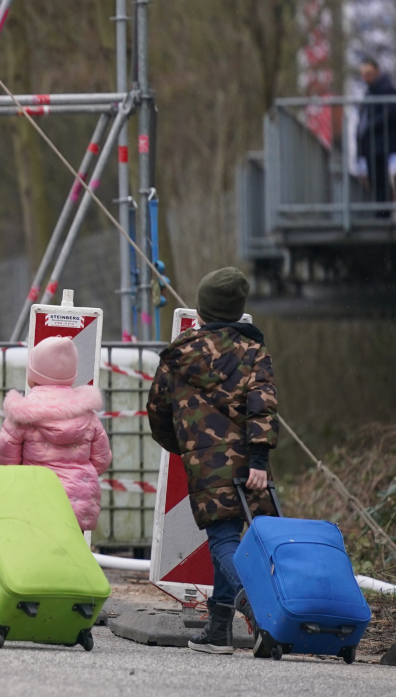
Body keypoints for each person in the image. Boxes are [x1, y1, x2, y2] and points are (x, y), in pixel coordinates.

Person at [147, 267, 278, 655]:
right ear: (238, 311)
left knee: (223, 540)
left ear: (201, 310)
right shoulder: (254, 352)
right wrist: (259, 458)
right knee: (233, 538)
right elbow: (264, 407)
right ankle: (219, 630)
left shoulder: (177, 355)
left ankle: (256, 607)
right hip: (251, 463)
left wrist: (185, 448)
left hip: (205, 462)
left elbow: (158, 412)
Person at [0, 336, 111, 533]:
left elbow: (4, 460)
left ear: (33, 374)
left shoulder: (22, 415)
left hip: (35, 499)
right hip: (78, 503)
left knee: (36, 547)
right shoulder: (88, 415)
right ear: (72, 375)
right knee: (72, 547)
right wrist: (78, 477)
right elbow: (102, 460)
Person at [355, 59, 396, 211]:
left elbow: (389, 113)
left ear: (377, 72)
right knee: (375, 180)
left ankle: (383, 213)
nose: (365, 78)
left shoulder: (386, 89)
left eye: (368, 74)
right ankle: (382, 211)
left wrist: (369, 126)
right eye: (363, 75)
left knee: (380, 180)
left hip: (380, 143)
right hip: (372, 143)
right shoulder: (370, 91)